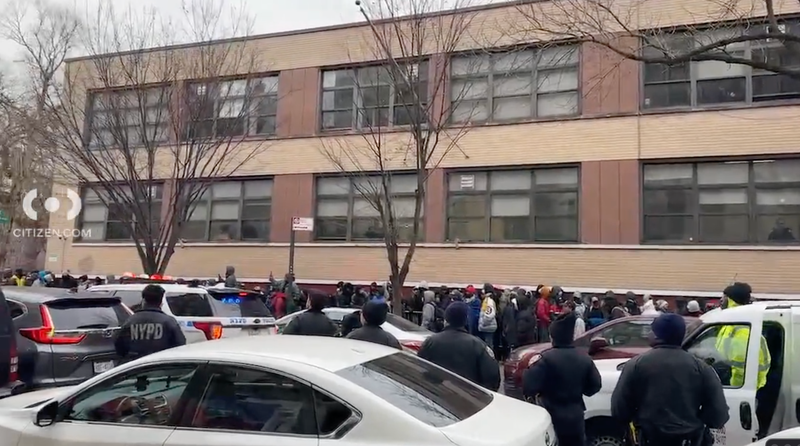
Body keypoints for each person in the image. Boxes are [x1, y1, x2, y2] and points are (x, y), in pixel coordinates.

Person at [612, 313, 729, 446]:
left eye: (652, 330)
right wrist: (696, 421)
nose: (649, 334)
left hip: (649, 439)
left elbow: (619, 410)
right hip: (690, 440)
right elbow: (719, 415)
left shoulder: (635, 365)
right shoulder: (701, 368)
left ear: (657, 336)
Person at [523, 311, 602, 446]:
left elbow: (529, 387)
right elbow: (595, 386)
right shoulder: (584, 358)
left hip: (551, 414)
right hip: (576, 415)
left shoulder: (546, 358)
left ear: (553, 337)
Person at [418, 302, 500, 391]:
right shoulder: (477, 345)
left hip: (436, 396)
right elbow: (492, 376)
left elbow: (419, 369)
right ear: (466, 320)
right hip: (469, 398)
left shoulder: (430, 342)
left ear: (446, 320)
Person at [716, 282, 770, 390]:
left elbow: (740, 367)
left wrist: (735, 390)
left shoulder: (742, 329)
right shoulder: (732, 322)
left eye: (725, 297)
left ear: (732, 300)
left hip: (744, 385)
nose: (721, 300)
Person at [114, 284, 186, 361]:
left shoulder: (130, 321)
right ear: (161, 302)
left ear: (143, 300)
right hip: (160, 365)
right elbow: (180, 345)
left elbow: (119, 345)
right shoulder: (169, 321)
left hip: (135, 366)